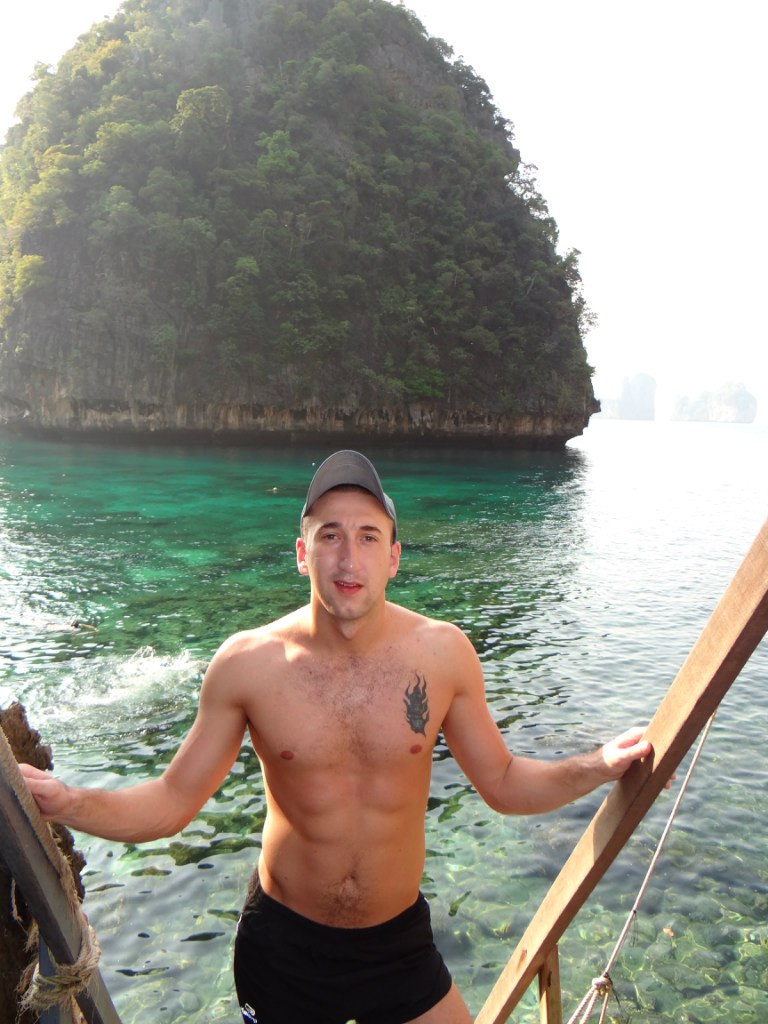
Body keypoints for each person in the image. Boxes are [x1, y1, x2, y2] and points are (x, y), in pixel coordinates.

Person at [21, 450, 655, 1024]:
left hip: (396, 946)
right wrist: (68, 802)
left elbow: (504, 782)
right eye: (330, 536)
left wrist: (596, 765)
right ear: (303, 554)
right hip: (284, 948)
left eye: (368, 536)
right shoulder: (248, 665)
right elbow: (172, 800)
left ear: (394, 558)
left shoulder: (444, 656)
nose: (349, 559)